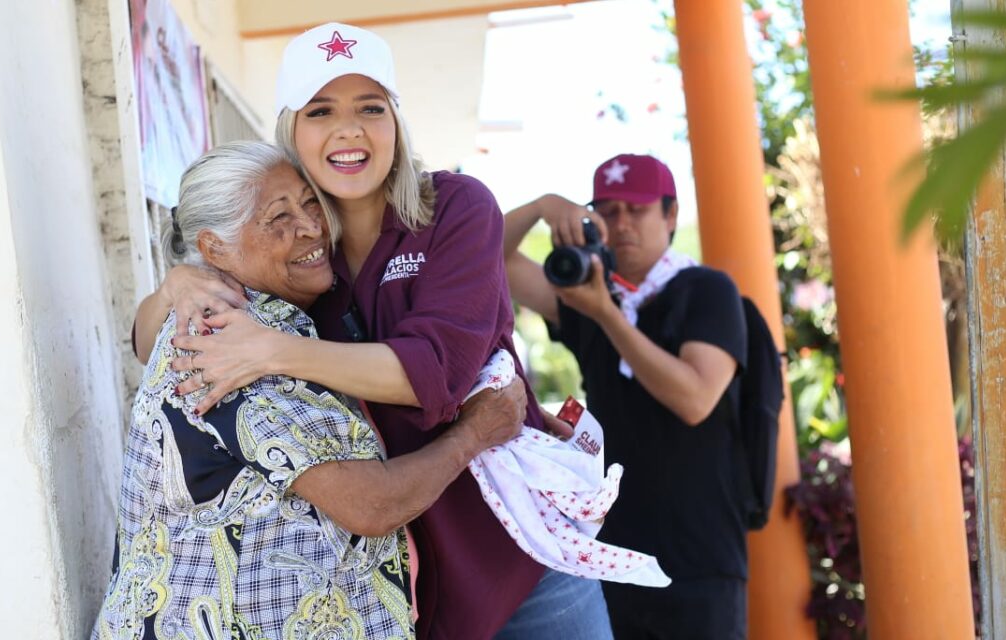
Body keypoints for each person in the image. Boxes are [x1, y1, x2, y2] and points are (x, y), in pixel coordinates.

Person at [131, 22, 613, 640]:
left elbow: (435, 372)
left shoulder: (455, 209)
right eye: (321, 110)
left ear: (395, 122)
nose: (349, 128)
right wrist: (172, 288)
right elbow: (153, 346)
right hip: (412, 585)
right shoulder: (300, 255)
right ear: (292, 133)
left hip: (520, 556)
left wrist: (276, 351)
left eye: (370, 107)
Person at [91, 141, 530, 640]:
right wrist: (475, 434)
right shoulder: (231, 338)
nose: (311, 226)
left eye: (309, 202)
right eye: (279, 217)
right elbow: (372, 505)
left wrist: (176, 283)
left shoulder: (248, 320)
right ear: (216, 249)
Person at [502, 154, 751, 639]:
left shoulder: (706, 289)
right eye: (608, 211)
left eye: (636, 210)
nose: (621, 224)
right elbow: (490, 256)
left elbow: (695, 399)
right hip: (611, 552)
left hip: (698, 556)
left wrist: (607, 315)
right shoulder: (586, 295)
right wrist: (541, 205)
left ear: (671, 215)